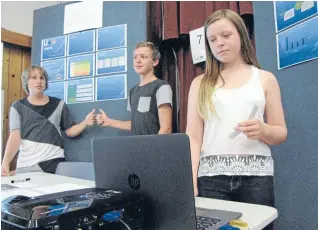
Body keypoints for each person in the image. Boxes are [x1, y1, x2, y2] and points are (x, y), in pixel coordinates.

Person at [186, 9, 287, 229]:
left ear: (241, 35)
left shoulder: (265, 79)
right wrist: (190, 180)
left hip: (257, 179)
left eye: (226, 35)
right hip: (211, 178)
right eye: (212, 39)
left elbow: (280, 132)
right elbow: (193, 137)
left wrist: (264, 131)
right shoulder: (200, 84)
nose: (219, 43)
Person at [1, 65, 96, 176]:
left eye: (42, 78)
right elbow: (14, 137)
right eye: (34, 77)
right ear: (26, 81)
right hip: (26, 166)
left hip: (54, 165)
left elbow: (69, 131)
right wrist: (5, 162)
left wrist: (85, 122)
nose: (39, 81)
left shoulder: (59, 104)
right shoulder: (17, 106)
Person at [97, 41, 173, 135]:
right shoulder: (133, 91)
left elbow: (166, 128)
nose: (138, 60)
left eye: (143, 57)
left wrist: (153, 148)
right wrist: (109, 122)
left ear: (155, 61)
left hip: (154, 148)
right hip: (137, 147)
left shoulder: (161, 87)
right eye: (135, 57)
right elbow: (135, 125)